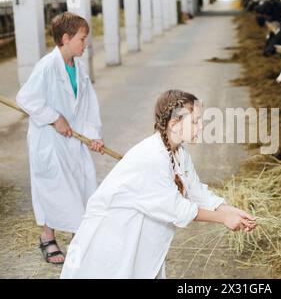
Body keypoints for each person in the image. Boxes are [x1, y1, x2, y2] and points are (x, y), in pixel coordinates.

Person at [60, 90, 256, 278]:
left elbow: (195, 191)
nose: (202, 127)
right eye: (195, 121)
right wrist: (223, 219)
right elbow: (177, 209)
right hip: (113, 237)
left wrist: (230, 210)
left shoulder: (179, 152)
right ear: (174, 124)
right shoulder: (151, 157)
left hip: (137, 236)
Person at [16, 12, 104, 264]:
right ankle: (47, 237)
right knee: (53, 187)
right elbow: (26, 98)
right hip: (49, 140)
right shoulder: (46, 66)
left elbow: (88, 106)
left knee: (80, 184)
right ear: (65, 38)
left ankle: (80, 236)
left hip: (73, 140)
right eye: (82, 39)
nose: (85, 44)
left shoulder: (80, 68)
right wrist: (54, 117)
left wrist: (93, 136)